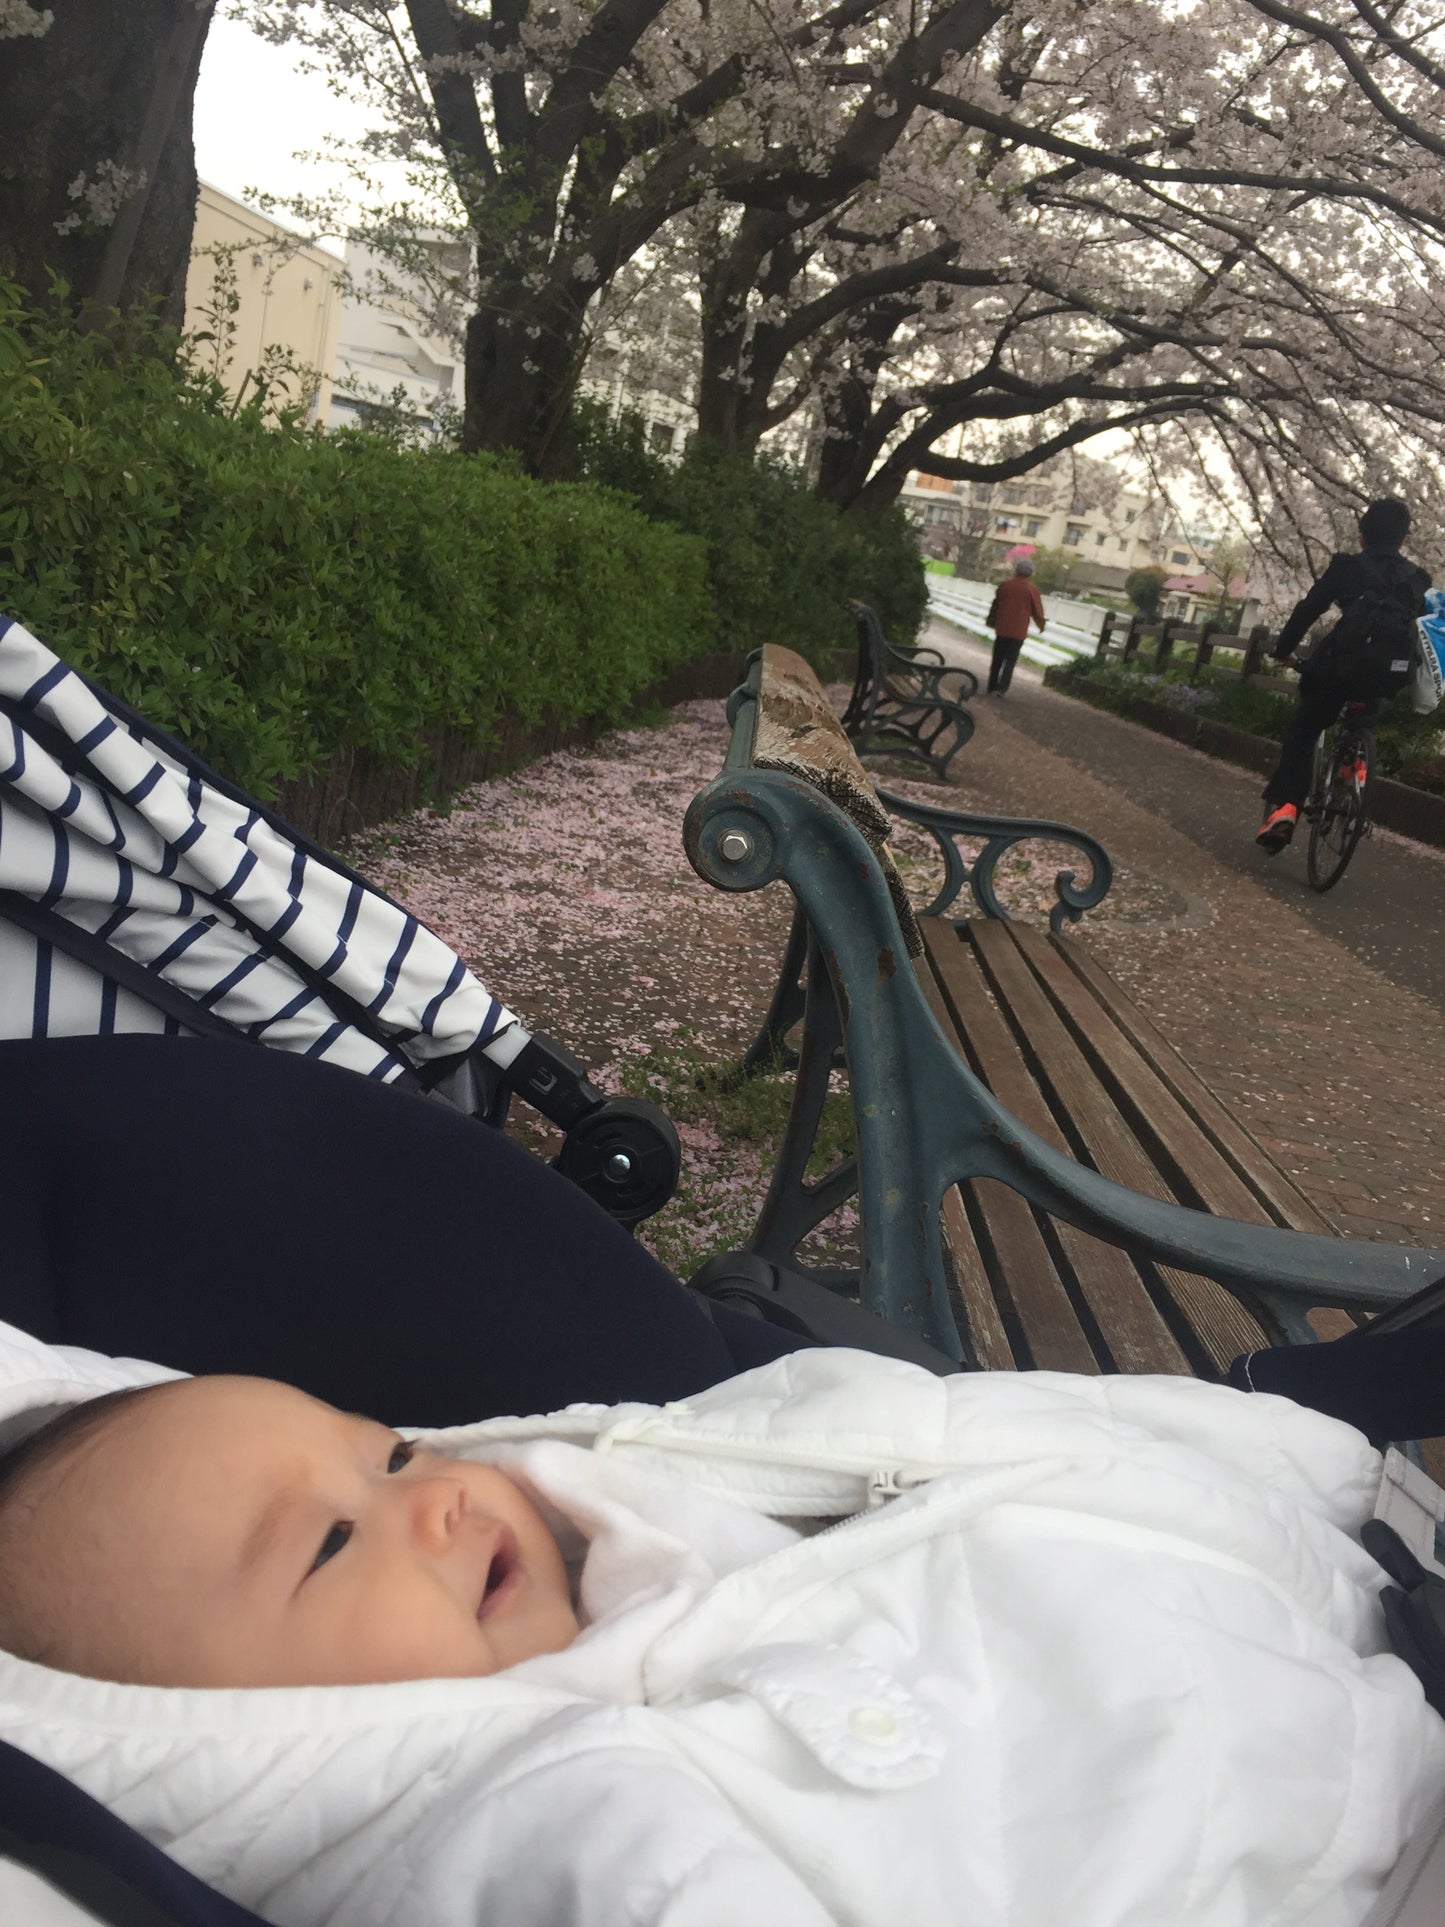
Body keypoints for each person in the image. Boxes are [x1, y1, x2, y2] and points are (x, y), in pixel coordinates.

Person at [0, 1333, 1441, 1927]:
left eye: (387, 1455)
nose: (431, 1500)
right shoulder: (545, 1830)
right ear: (236, 1729)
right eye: (327, 1543)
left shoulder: (629, 1500)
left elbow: (900, 1432)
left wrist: (1279, 1454)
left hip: (1318, 1603)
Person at [1257, 499, 1431, 853]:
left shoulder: (1348, 567)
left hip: (1338, 666)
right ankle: (1355, 768)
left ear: (1362, 534)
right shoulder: (1418, 580)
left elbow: (1310, 608)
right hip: (1386, 674)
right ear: (1402, 539)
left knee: (1305, 730)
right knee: (1362, 718)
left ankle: (1287, 808)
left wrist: (1283, 647)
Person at [984, 557, 1047, 694]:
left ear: (1016, 570)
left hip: (1002, 628)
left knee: (997, 659)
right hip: (1018, 631)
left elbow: (998, 599)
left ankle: (991, 685)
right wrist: (1041, 625)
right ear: (1030, 573)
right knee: (1010, 661)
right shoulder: (1032, 589)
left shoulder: (1006, 585)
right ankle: (1002, 688)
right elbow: (1037, 611)